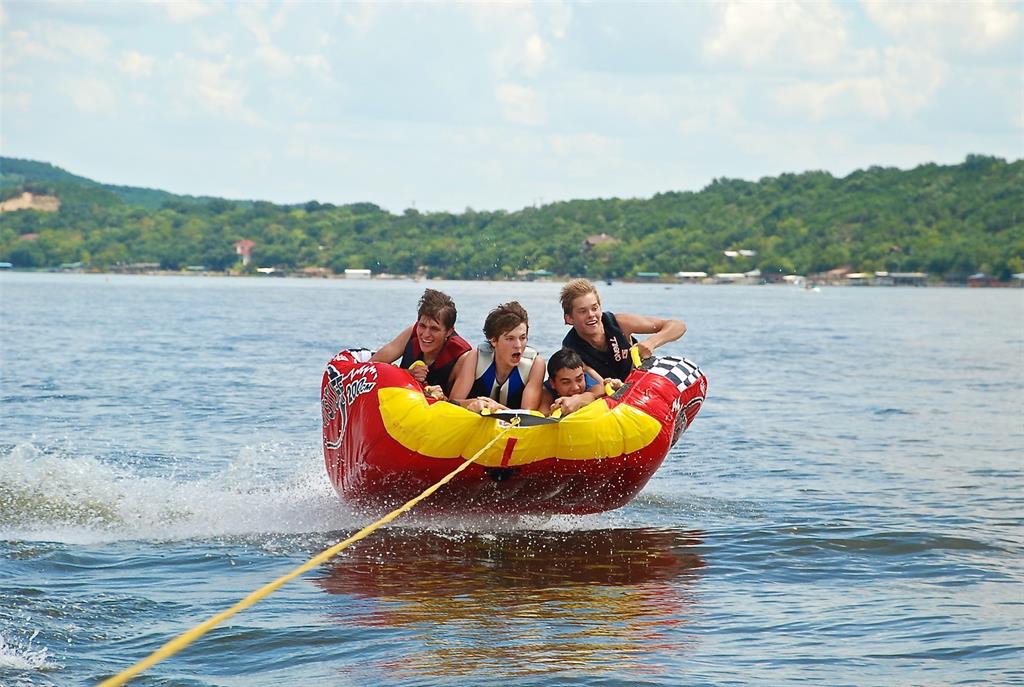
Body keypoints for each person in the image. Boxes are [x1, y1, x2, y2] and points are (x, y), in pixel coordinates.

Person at [559, 278, 686, 381]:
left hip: (642, 382)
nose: (591, 314)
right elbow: (595, 380)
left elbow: (678, 326)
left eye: (594, 308)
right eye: (582, 311)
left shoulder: (620, 323)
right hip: (611, 396)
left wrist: (651, 343)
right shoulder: (571, 350)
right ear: (569, 319)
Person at [370, 288, 471, 395]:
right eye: (422, 326)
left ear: (449, 331)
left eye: (434, 328)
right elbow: (371, 366)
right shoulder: (411, 334)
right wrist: (407, 374)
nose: (426, 334)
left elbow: (456, 404)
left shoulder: (462, 356)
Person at [449, 301, 546, 413]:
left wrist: (497, 408)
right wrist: (472, 403)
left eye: (522, 338)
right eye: (510, 339)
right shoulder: (475, 357)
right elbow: (453, 403)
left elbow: (528, 416)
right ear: (494, 340)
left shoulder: (535, 364)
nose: (518, 345)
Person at [539, 347, 608, 417]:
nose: (576, 388)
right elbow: (543, 416)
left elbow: (599, 392)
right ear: (552, 383)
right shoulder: (546, 391)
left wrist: (579, 399)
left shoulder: (590, 384)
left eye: (579, 379)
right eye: (566, 382)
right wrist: (557, 410)